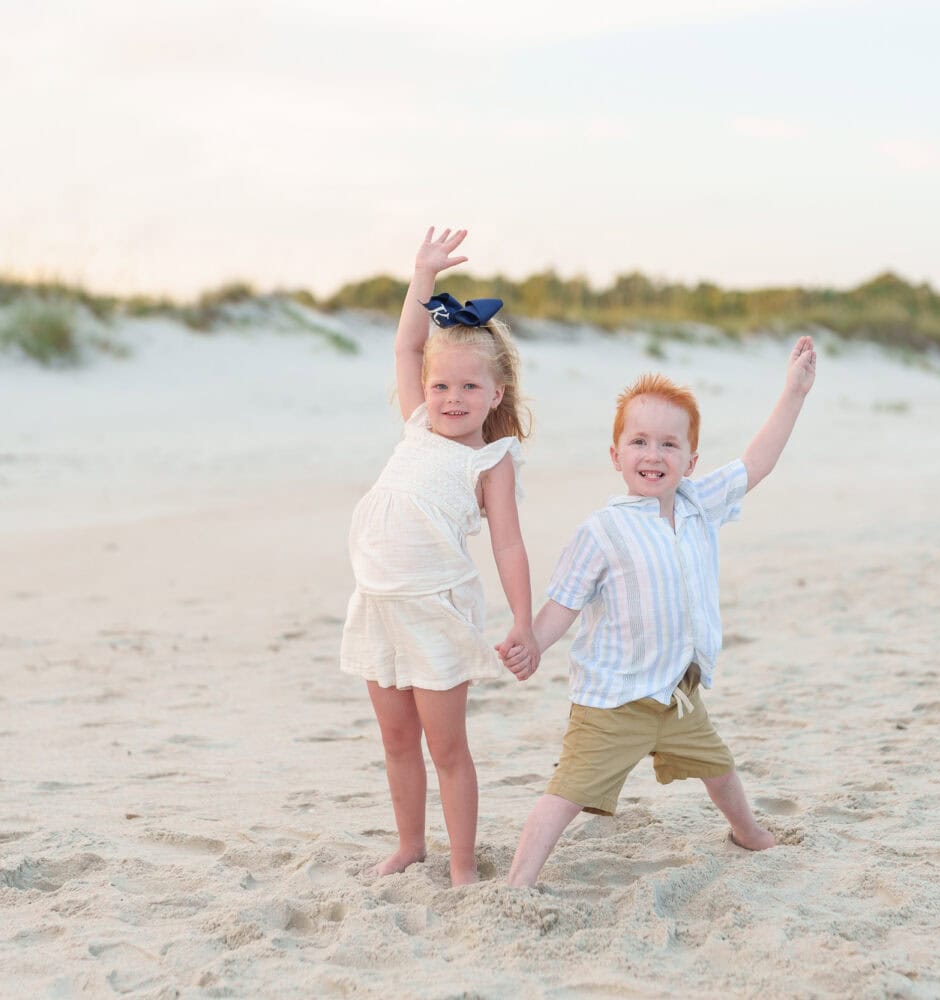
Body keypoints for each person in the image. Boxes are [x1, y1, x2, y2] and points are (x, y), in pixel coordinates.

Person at [499, 338, 817, 887]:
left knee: (718, 768)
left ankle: (747, 832)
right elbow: (565, 603)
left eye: (669, 444)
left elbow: (757, 462)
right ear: (616, 454)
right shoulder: (603, 529)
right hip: (614, 702)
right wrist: (531, 642)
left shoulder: (697, 504)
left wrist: (794, 391)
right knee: (569, 790)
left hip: (677, 692)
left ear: (691, 460)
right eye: (639, 442)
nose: (654, 455)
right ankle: (519, 880)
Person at [340, 227, 539, 886]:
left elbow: (508, 542)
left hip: (436, 610)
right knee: (397, 741)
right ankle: (408, 845)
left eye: (469, 389)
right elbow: (406, 342)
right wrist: (421, 275)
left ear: (496, 394)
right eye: (442, 386)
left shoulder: (490, 459)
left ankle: (459, 865)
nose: (452, 400)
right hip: (378, 603)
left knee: (446, 746)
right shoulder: (417, 423)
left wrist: (522, 621)